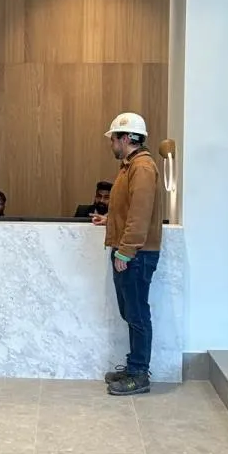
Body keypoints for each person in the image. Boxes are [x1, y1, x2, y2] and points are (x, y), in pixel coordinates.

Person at [92, 113, 162, 396]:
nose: (111, 144)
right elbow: (128, 209)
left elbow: (140, 214)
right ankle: (134, 367)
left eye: (113, 139)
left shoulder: (142, 167)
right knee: (131, 312)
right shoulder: (130, 166)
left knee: (137, 314)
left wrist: (126, 251)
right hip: (131, 251)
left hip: (136, 254)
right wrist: (110, 220)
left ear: (125, 138)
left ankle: (139, 373)